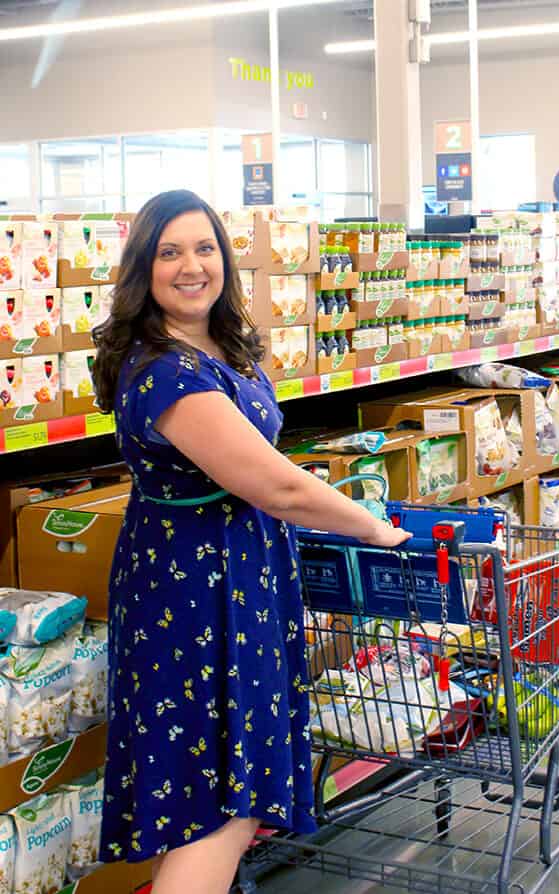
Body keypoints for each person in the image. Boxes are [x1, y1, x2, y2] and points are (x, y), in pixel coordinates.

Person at [92, 189, 411, 894]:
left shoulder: (216, 345)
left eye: (204, 248)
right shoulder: (167, 371)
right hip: (198, 594)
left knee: (191, 796)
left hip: (231, 577)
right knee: (227, 806)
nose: (191, 266)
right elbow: (281, 489)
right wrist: (375, 528)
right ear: (142, 268)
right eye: (169, 252)